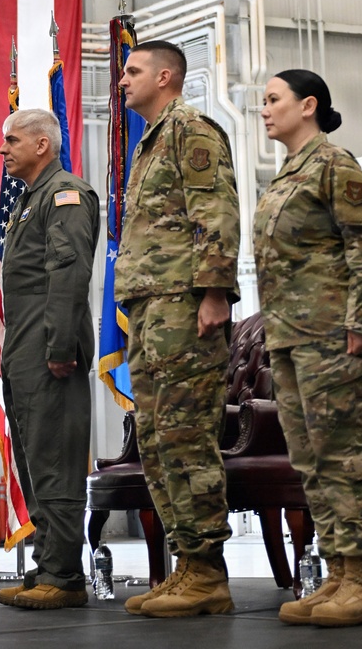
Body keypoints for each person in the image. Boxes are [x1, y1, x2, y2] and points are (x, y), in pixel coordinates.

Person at [254, 69, 362, 628]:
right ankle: (336, 573)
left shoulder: (334, 164)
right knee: (309, 459)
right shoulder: (287, 173)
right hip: (289, 336)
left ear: (307, 105)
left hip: (332, 334)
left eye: (273, 99)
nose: (264, 109)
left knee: (341, 453)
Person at [114, 40, 240, 618]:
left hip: (185, 308)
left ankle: (208, 572)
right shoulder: (150, 141)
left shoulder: (191, 130)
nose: (122, 80)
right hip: (150, 309)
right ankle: (188, 564)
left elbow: (215, 213)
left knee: (186, 436)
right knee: (158, 439)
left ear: (165, 76)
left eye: (133, 71)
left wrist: (214, 293)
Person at [0, 108, 99, 611]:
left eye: (12, 140)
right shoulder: (29, 200)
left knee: (55, 459)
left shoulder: (66, 195)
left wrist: (59, 347)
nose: (3, 149)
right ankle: (47, 566)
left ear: (42, 144)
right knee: (36, 461)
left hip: (49, 346)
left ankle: (65, 576)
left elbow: (68, 273)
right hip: (25, 345)